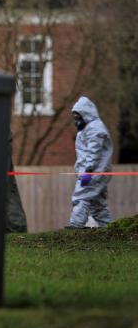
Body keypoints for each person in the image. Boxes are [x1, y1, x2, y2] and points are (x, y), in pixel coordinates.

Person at [67, 96, 114, 229]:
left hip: (93, 174)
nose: (76, 121)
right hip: (94, 172)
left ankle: (75, 226)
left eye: (78, 117)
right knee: (98, 206)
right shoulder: (89, 128)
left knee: (80, 197)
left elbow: (94, 153)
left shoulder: (95, 129)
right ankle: (108, 229)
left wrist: (88, 171)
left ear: (85, 114)